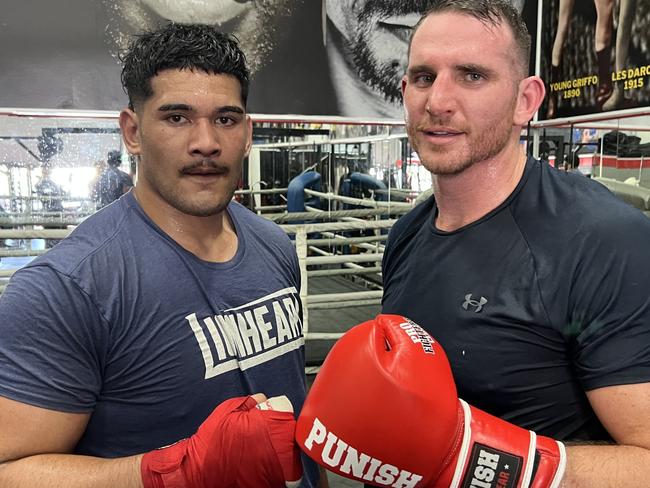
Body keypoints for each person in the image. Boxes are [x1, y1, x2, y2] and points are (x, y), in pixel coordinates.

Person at [0, 23, 322, 487]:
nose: (206, 142)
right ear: (132, 131)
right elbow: (10, 470)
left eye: (226, 119)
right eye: (177, 117)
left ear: (247, 132)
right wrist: (173, 472)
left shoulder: (273, 246)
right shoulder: (67, 287)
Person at [378, 1, 650, 486]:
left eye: (472, 76)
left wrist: (489, 462)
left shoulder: (604, 240)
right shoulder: (407, 235)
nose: (438, 100)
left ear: (526, 101)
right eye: (422, 77)